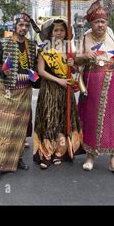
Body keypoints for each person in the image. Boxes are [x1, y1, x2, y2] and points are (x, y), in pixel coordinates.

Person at [75, 0, 114, 174]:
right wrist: (84, 55)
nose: (100, 24)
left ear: (107, 23)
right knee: (91, 118)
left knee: (112, 120)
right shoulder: (84, 38)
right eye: (97, 22)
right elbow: (75, 60)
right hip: (91, 84)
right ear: (91, 23)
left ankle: (113, 160)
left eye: (103, 21)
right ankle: (90, 156)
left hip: (111, 83)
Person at [0, 13, 38, 180]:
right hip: (8, 90)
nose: (23, 28)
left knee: (20, 128)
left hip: (25, 90)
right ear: (15, 26)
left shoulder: (32, 45)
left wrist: (36, 77)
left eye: (26, 25)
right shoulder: (3, 43)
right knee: (5, 128)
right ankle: (0, 165)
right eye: (21, 25)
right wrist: (1, 70)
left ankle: (17, 159)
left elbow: (34, 68)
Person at [33, 18, 83, 169]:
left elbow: (78, 70)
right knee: (49, 119)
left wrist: (73, 65)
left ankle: (59, 153)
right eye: (56, 30)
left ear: (66, 32)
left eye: (62, 30)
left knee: (63, 120)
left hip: (65, 89)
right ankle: (46, 153)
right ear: (51, 33)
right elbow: (41, 71)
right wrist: (58, 80)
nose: (59, 33)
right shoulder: (45, 49)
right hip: (49, 89)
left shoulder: (70, 51)